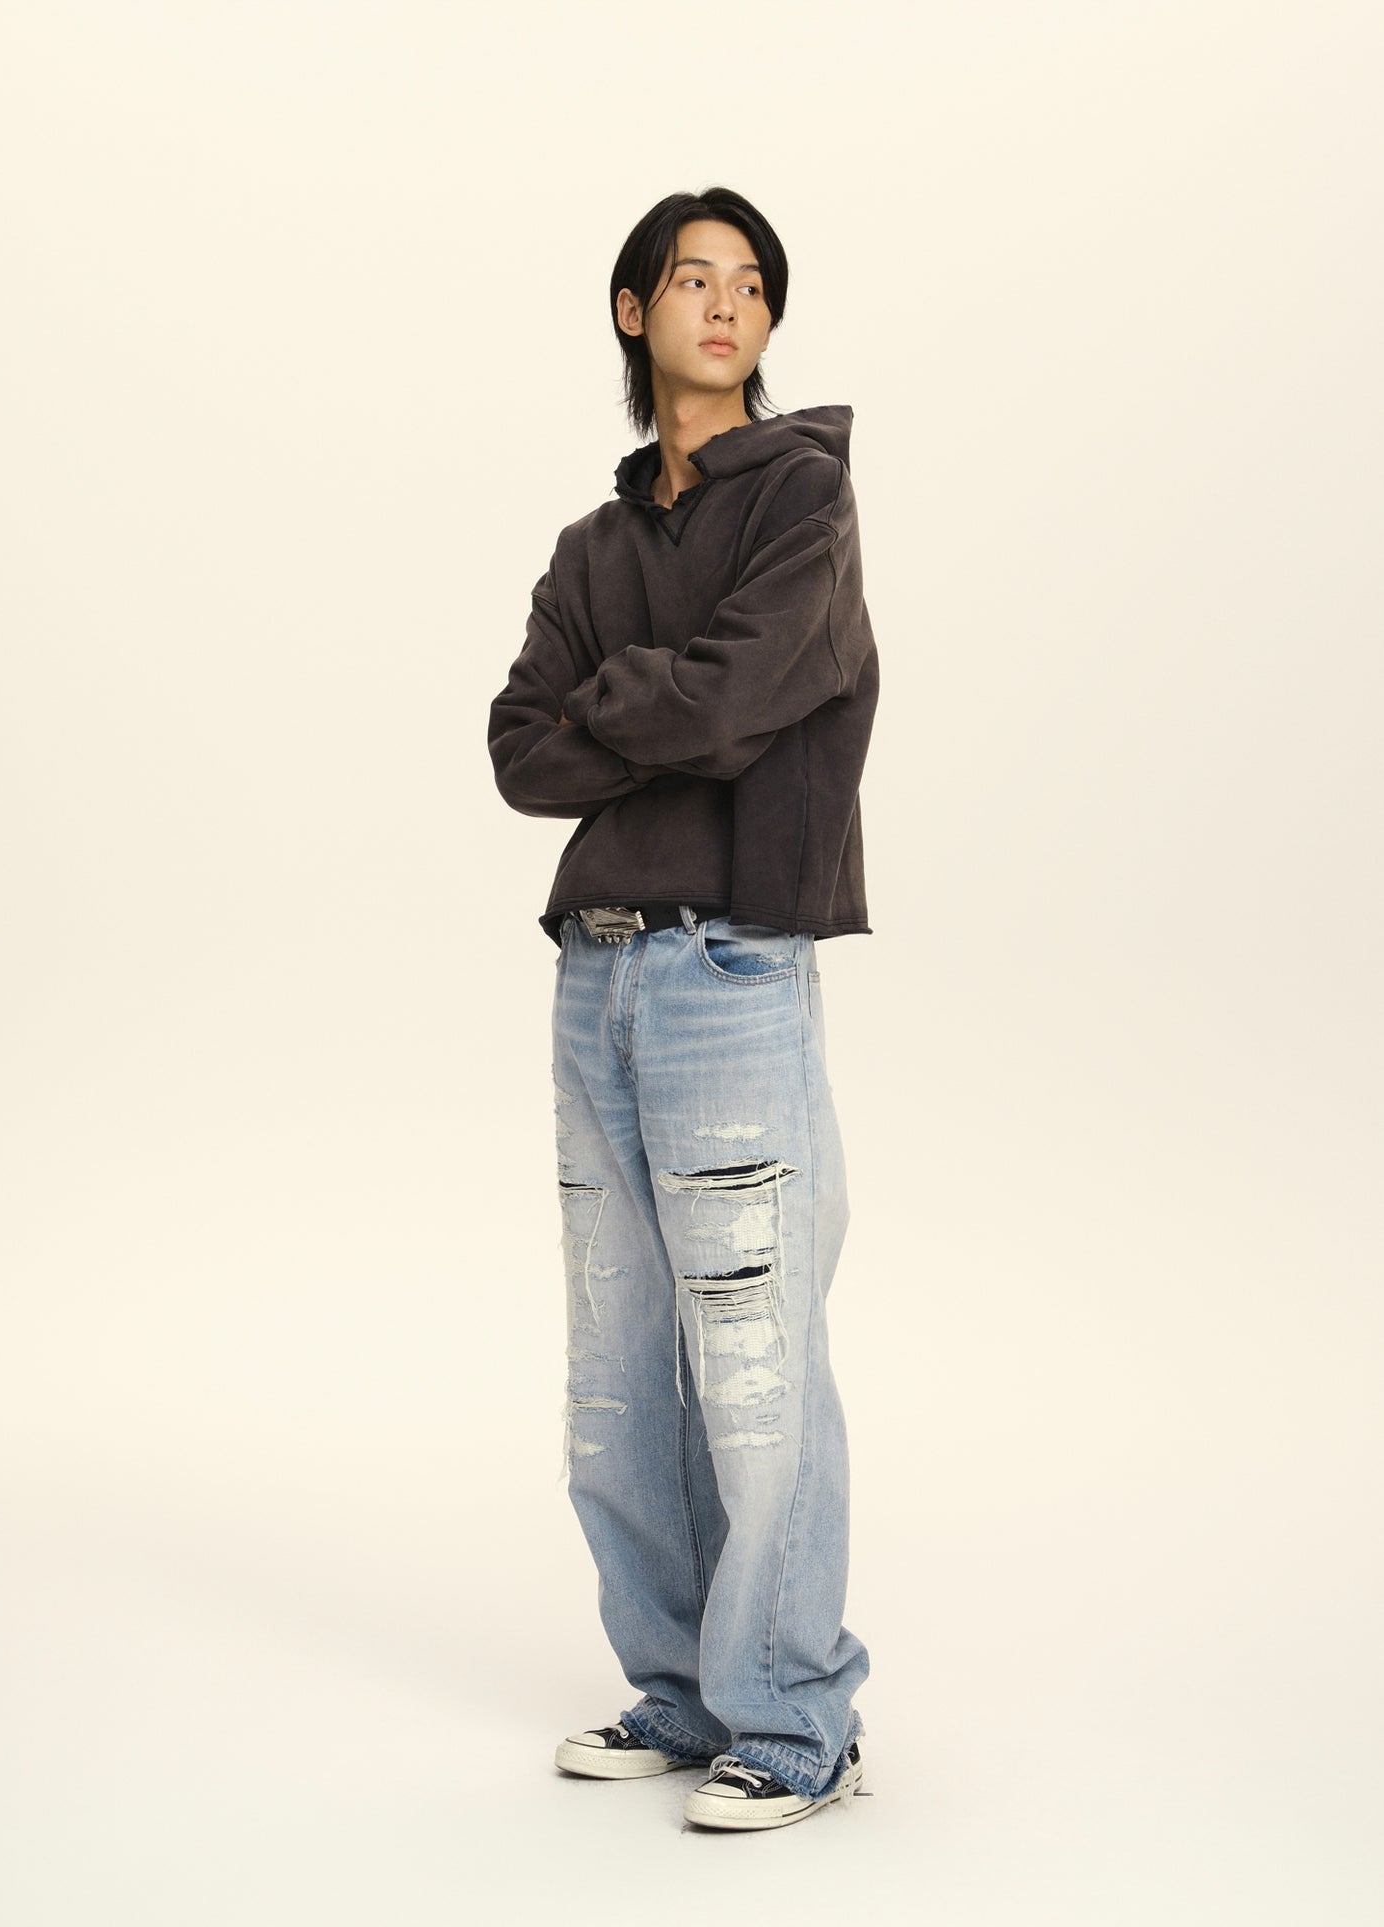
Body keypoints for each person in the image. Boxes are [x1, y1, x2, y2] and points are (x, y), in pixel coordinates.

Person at [487, 185, 879, 1832]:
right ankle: (678, 1685)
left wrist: (625, 703)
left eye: (752, 284)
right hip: (593, 965)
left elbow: (734, 697)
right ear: (631, 311)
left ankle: (792, 1715)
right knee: (612, 1374)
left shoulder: (803, 497)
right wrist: (663, 708)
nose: (726, 304)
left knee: (752, 1359)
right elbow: (521, 751)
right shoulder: (589, 550)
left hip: (729, 962)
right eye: (692, 278)